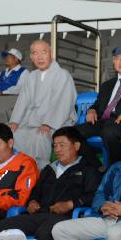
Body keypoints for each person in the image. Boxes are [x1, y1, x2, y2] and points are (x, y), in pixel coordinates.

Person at [0, 127, 102, 240]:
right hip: (40, 214)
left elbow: (94, 195)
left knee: (44, 235)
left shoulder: (88, 169)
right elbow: (35, 191)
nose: (58, 149)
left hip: (67, 218)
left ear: (76, 146)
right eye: (55, 145)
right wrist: (32, 201)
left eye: (62, 145)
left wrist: (71, 204)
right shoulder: (49, 170)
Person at [9, 40, 77, 168]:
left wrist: (48, 123)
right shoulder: (31, 76)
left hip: (58, 122)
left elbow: (63, 103)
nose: (39, 57)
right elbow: (23, 100)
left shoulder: (63, 75)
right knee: (14, 133)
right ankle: (21, 170)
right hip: (33, 120)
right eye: (35, 53)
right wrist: (15, 121)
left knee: (40, 135)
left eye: (43, 52)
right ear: (31, 57)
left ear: (51, 54)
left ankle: (39, 171)